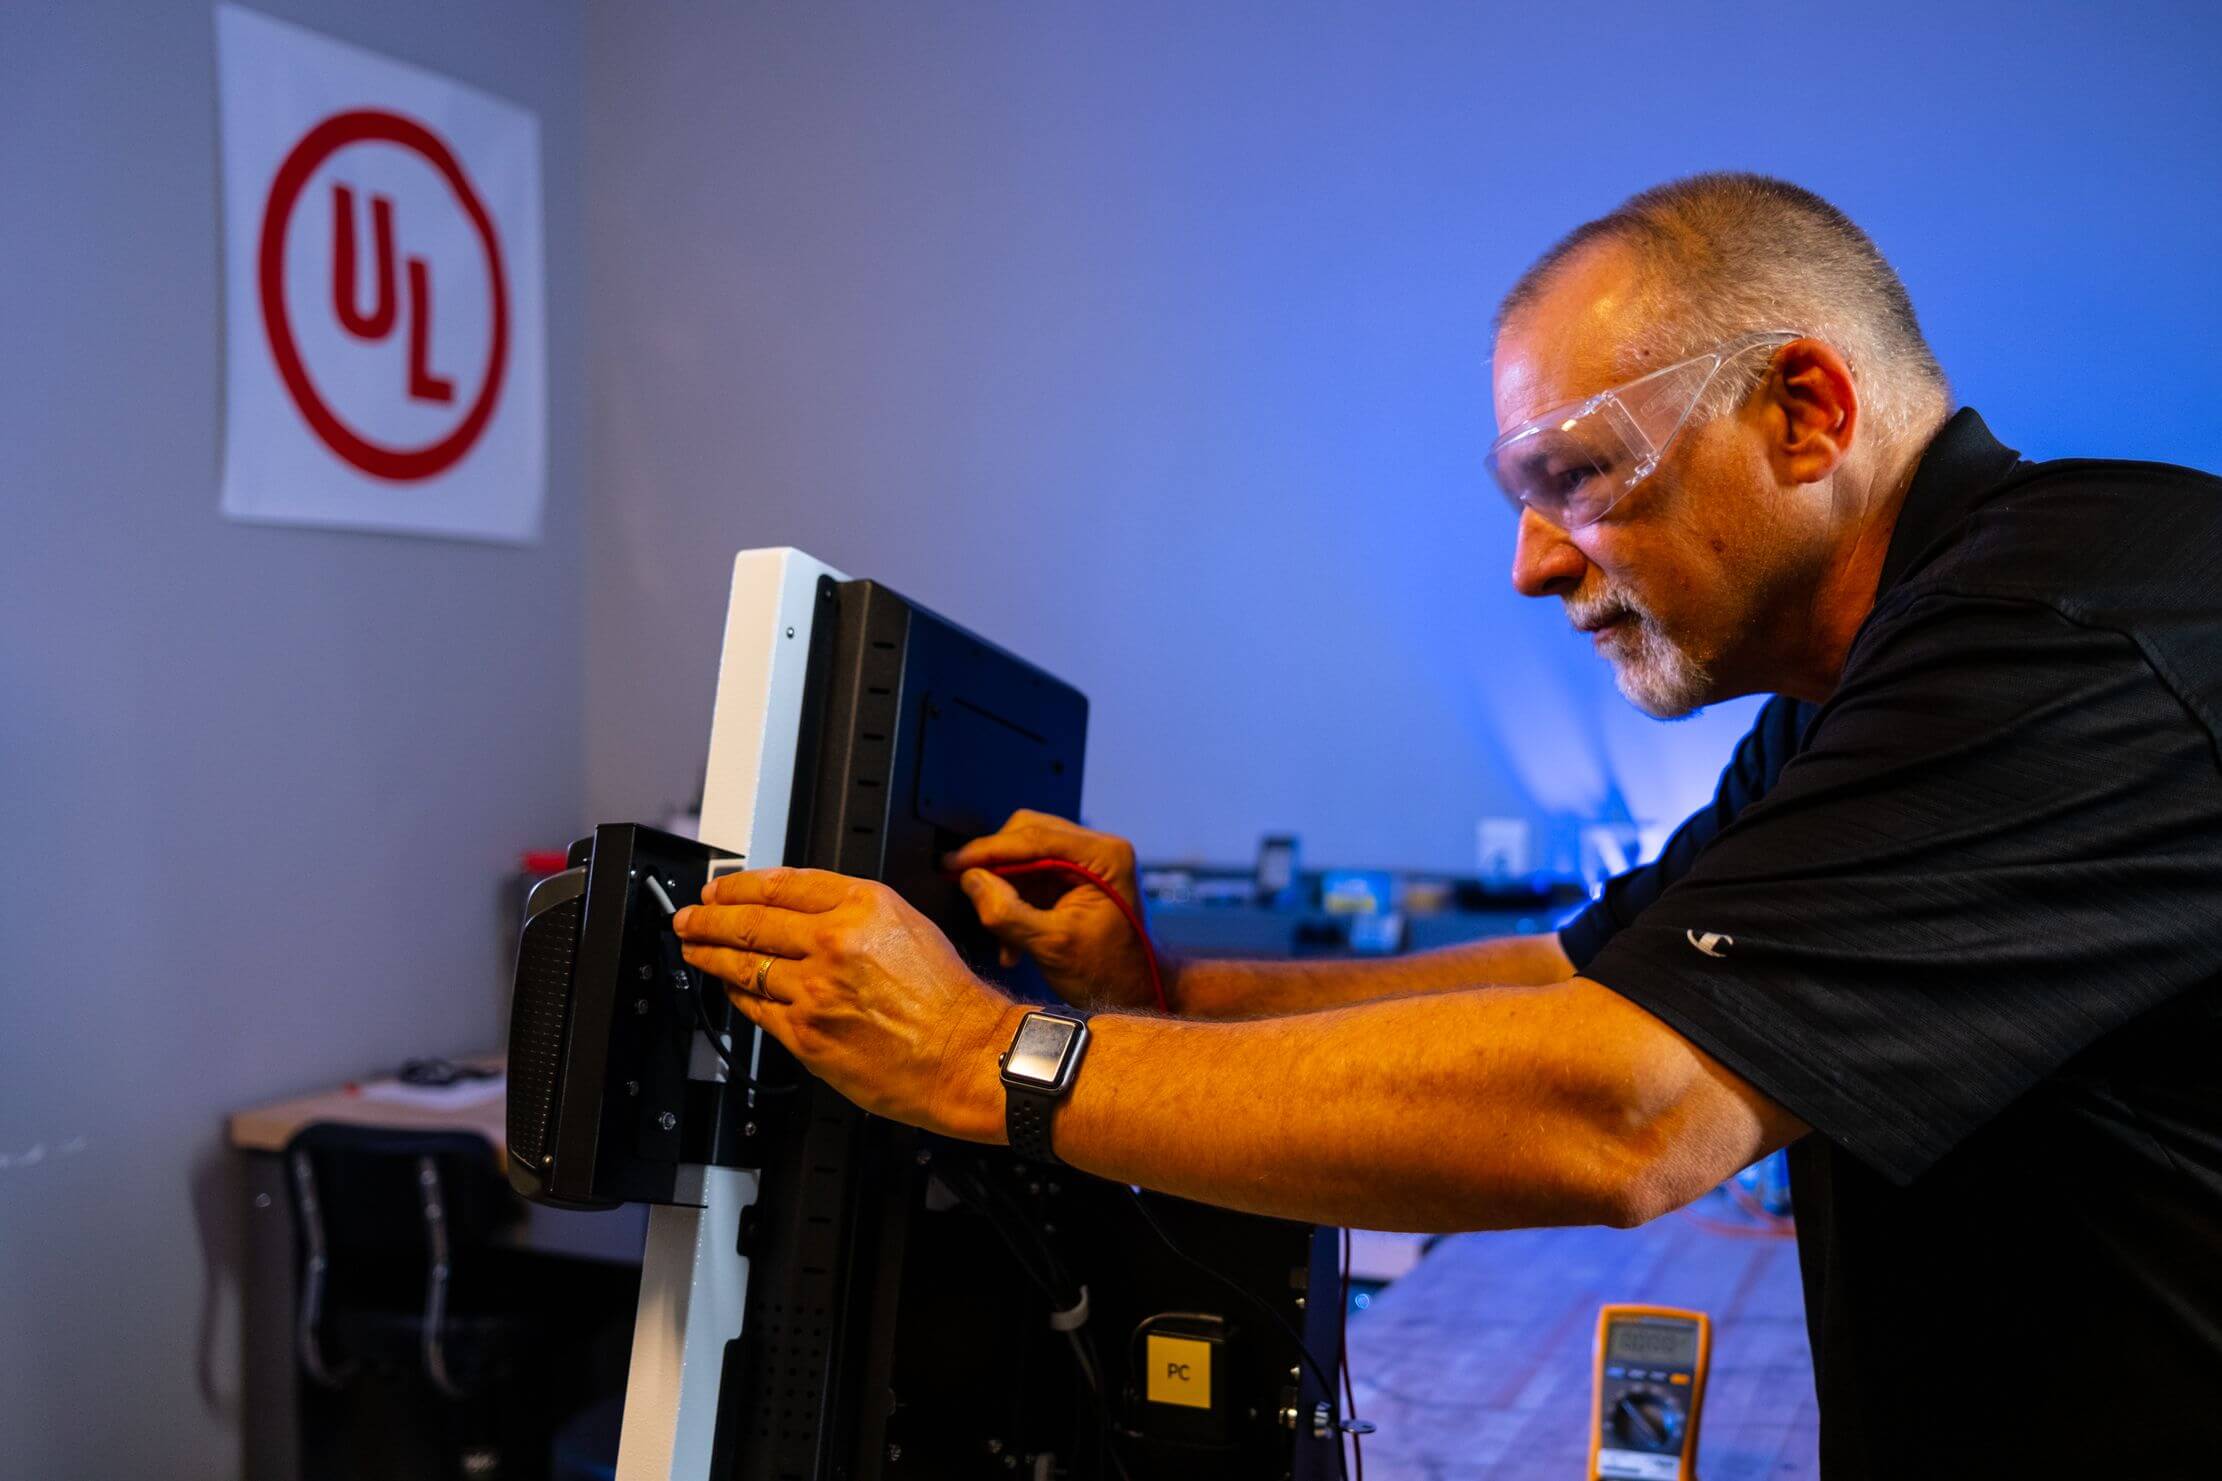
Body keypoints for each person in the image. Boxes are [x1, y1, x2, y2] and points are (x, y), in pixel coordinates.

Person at [673, 174, 2222, 1474]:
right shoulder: (1870, 682)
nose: (1533, 568)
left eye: (1581, 479)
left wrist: (971, 1058)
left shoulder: (2061, 628)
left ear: (1805, 411)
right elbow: (1575, 980)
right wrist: (1159, 993)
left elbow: (1627, 1108)